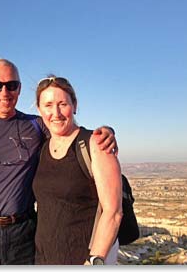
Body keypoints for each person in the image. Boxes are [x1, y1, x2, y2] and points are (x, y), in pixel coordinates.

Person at [0, 58, 118, 265]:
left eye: (11, 85)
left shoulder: (36, 125)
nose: (4, 92)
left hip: (23, 233)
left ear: (19, 89)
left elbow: (67, 129)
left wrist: (106, 132)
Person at [32, 75, 123, 265]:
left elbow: (113, 212)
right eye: (48, 105)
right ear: (39, 109)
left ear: (74, 105)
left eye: (62, 104)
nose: (55, 113)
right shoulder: (42, 148)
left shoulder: (95, 144)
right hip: (45, 259)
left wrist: (93, 261)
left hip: (84, 260)